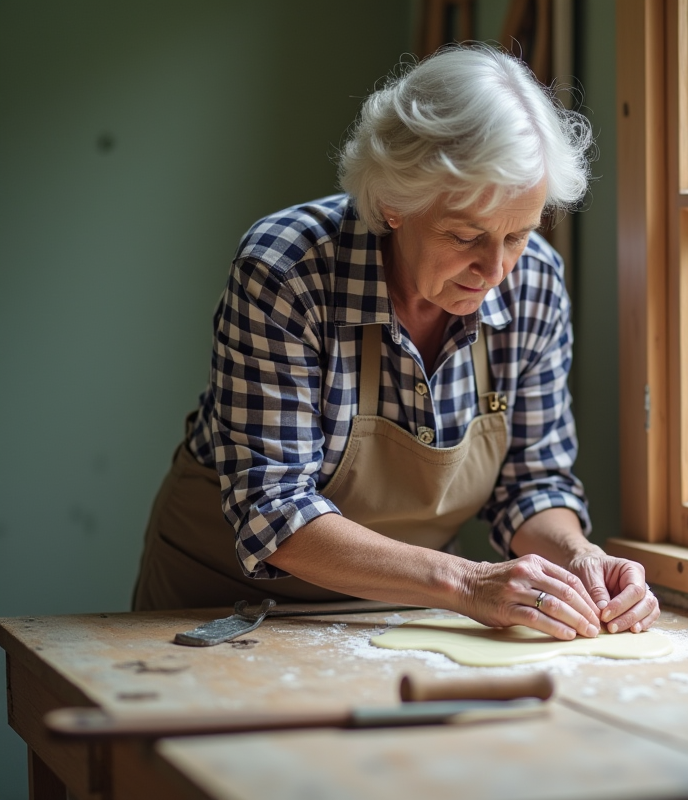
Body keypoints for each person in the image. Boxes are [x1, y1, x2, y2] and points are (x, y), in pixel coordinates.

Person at [132, 44, 659, 641]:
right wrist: (468, 584)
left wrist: (578, 557)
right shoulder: (287, 270)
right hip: (223, 601)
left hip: (403, 607)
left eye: (517, 234)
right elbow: (273, 508)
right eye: (466, 235)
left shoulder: (535, 281)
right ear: (393, 204)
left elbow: (532, 483)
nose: (495, 270)